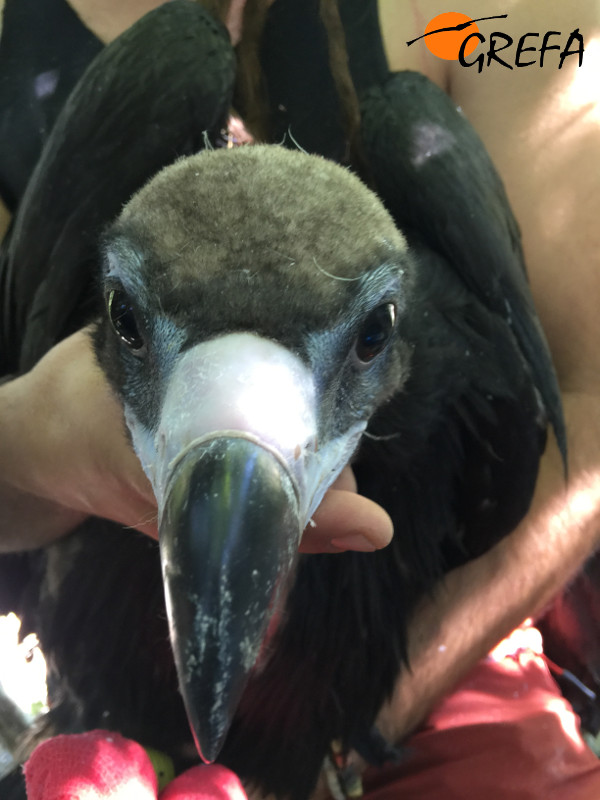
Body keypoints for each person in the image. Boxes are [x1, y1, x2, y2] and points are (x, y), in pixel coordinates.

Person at [1, 0, 600, 797]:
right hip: (108, 699)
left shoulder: (494, 18)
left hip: (440, 660)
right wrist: (23, 445)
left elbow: (585, 407)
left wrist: (332, 752)